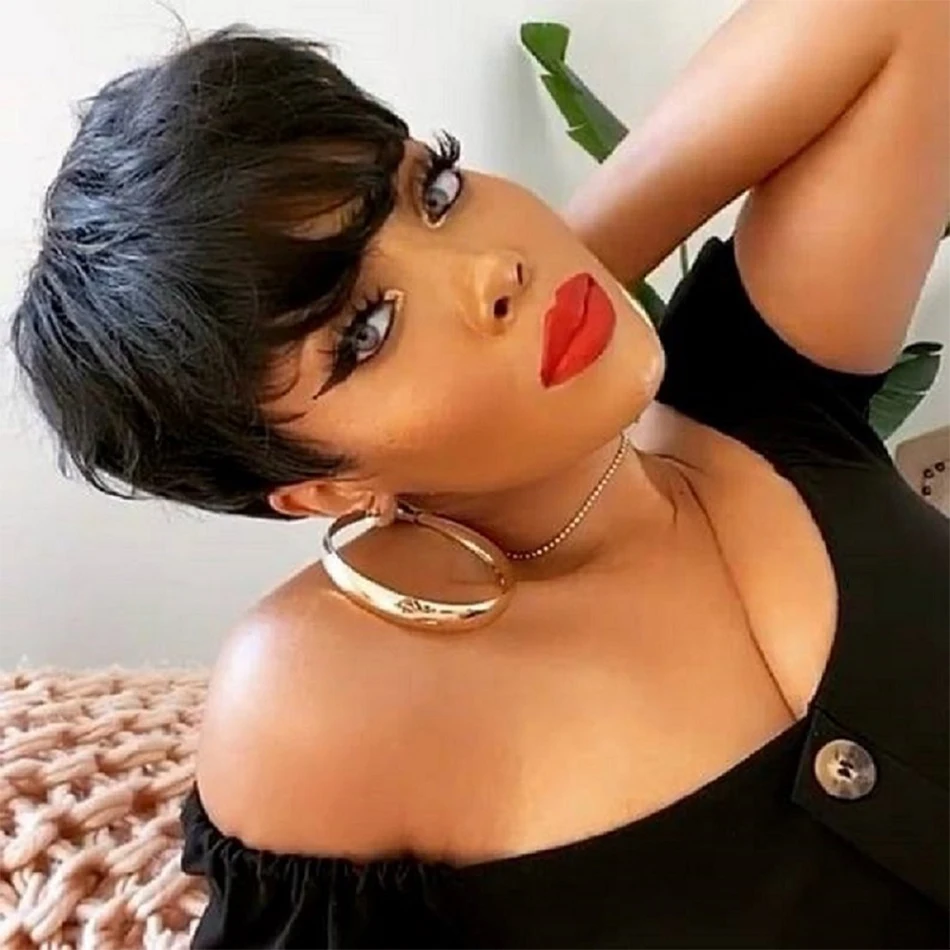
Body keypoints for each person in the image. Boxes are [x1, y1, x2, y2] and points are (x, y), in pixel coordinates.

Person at [9, 1, 948, 946]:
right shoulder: (324, 690)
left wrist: (557, 284)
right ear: (322, 490)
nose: (494, 267)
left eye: (437, 190)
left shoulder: (760, 396)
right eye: (367, 329)